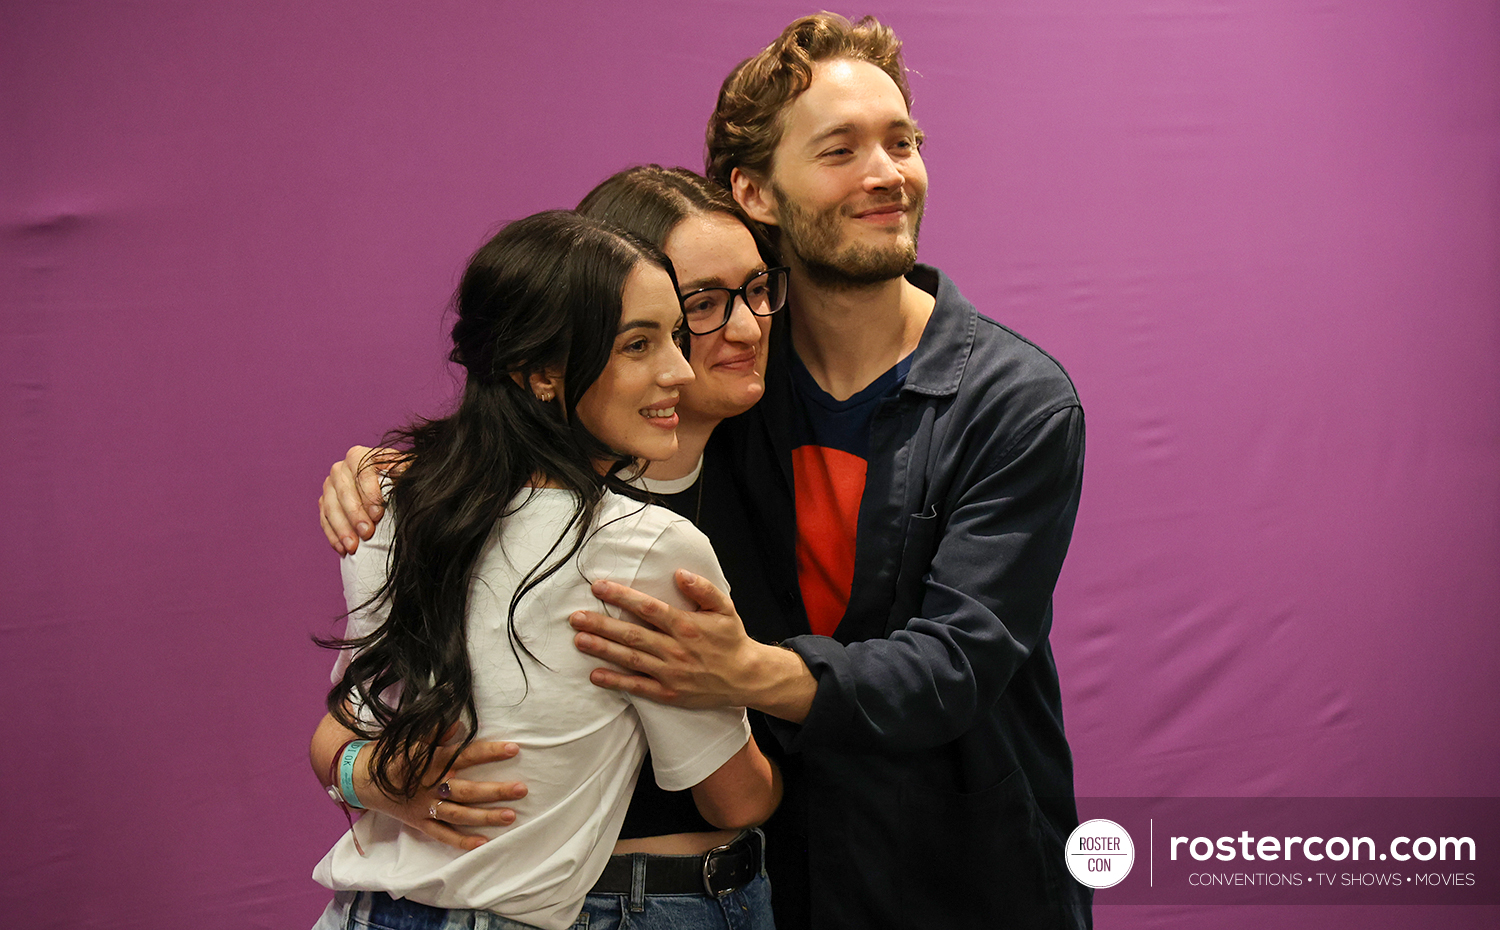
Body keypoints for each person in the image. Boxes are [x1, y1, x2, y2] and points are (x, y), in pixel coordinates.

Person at [322, 13, 1091, 928]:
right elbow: (536, 407)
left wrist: (746, 671)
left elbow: (954, 666)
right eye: (841, 149)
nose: (888, 173)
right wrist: (396, 470)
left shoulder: (1016, 401)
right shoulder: (726, 396)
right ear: (755, 191)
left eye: (903, 142)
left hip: (959, 865)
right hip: (762, 876)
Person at [310, 210, 780, 930]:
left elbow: (343, 739)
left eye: (675, 338)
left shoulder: (389, 504)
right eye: (638, 344)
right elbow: (736, 801)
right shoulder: (650, 549)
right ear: (540, 375)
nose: (678, 370)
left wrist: (365, 777)